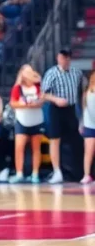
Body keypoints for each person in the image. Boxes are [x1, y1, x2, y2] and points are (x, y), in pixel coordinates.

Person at [41, 49, 83, 184]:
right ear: (58, 58)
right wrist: (56, 99)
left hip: (71, 109)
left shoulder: (77, 73)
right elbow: (43, 94)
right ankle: (57, 171)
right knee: (55, 139)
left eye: (66, 58)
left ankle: (77, 171)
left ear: (69, 59)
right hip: (56, 109)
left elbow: (81, 91)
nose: (63, 60)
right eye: (61, 58)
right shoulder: (51, 73)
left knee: (75, 139)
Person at [82, 72, 95, 184]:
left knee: (88, 152)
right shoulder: (90, 93)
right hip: (90, 125)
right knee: (89, 152)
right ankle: (86, 175)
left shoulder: (87, 93)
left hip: (89, 125)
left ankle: (86, 175)